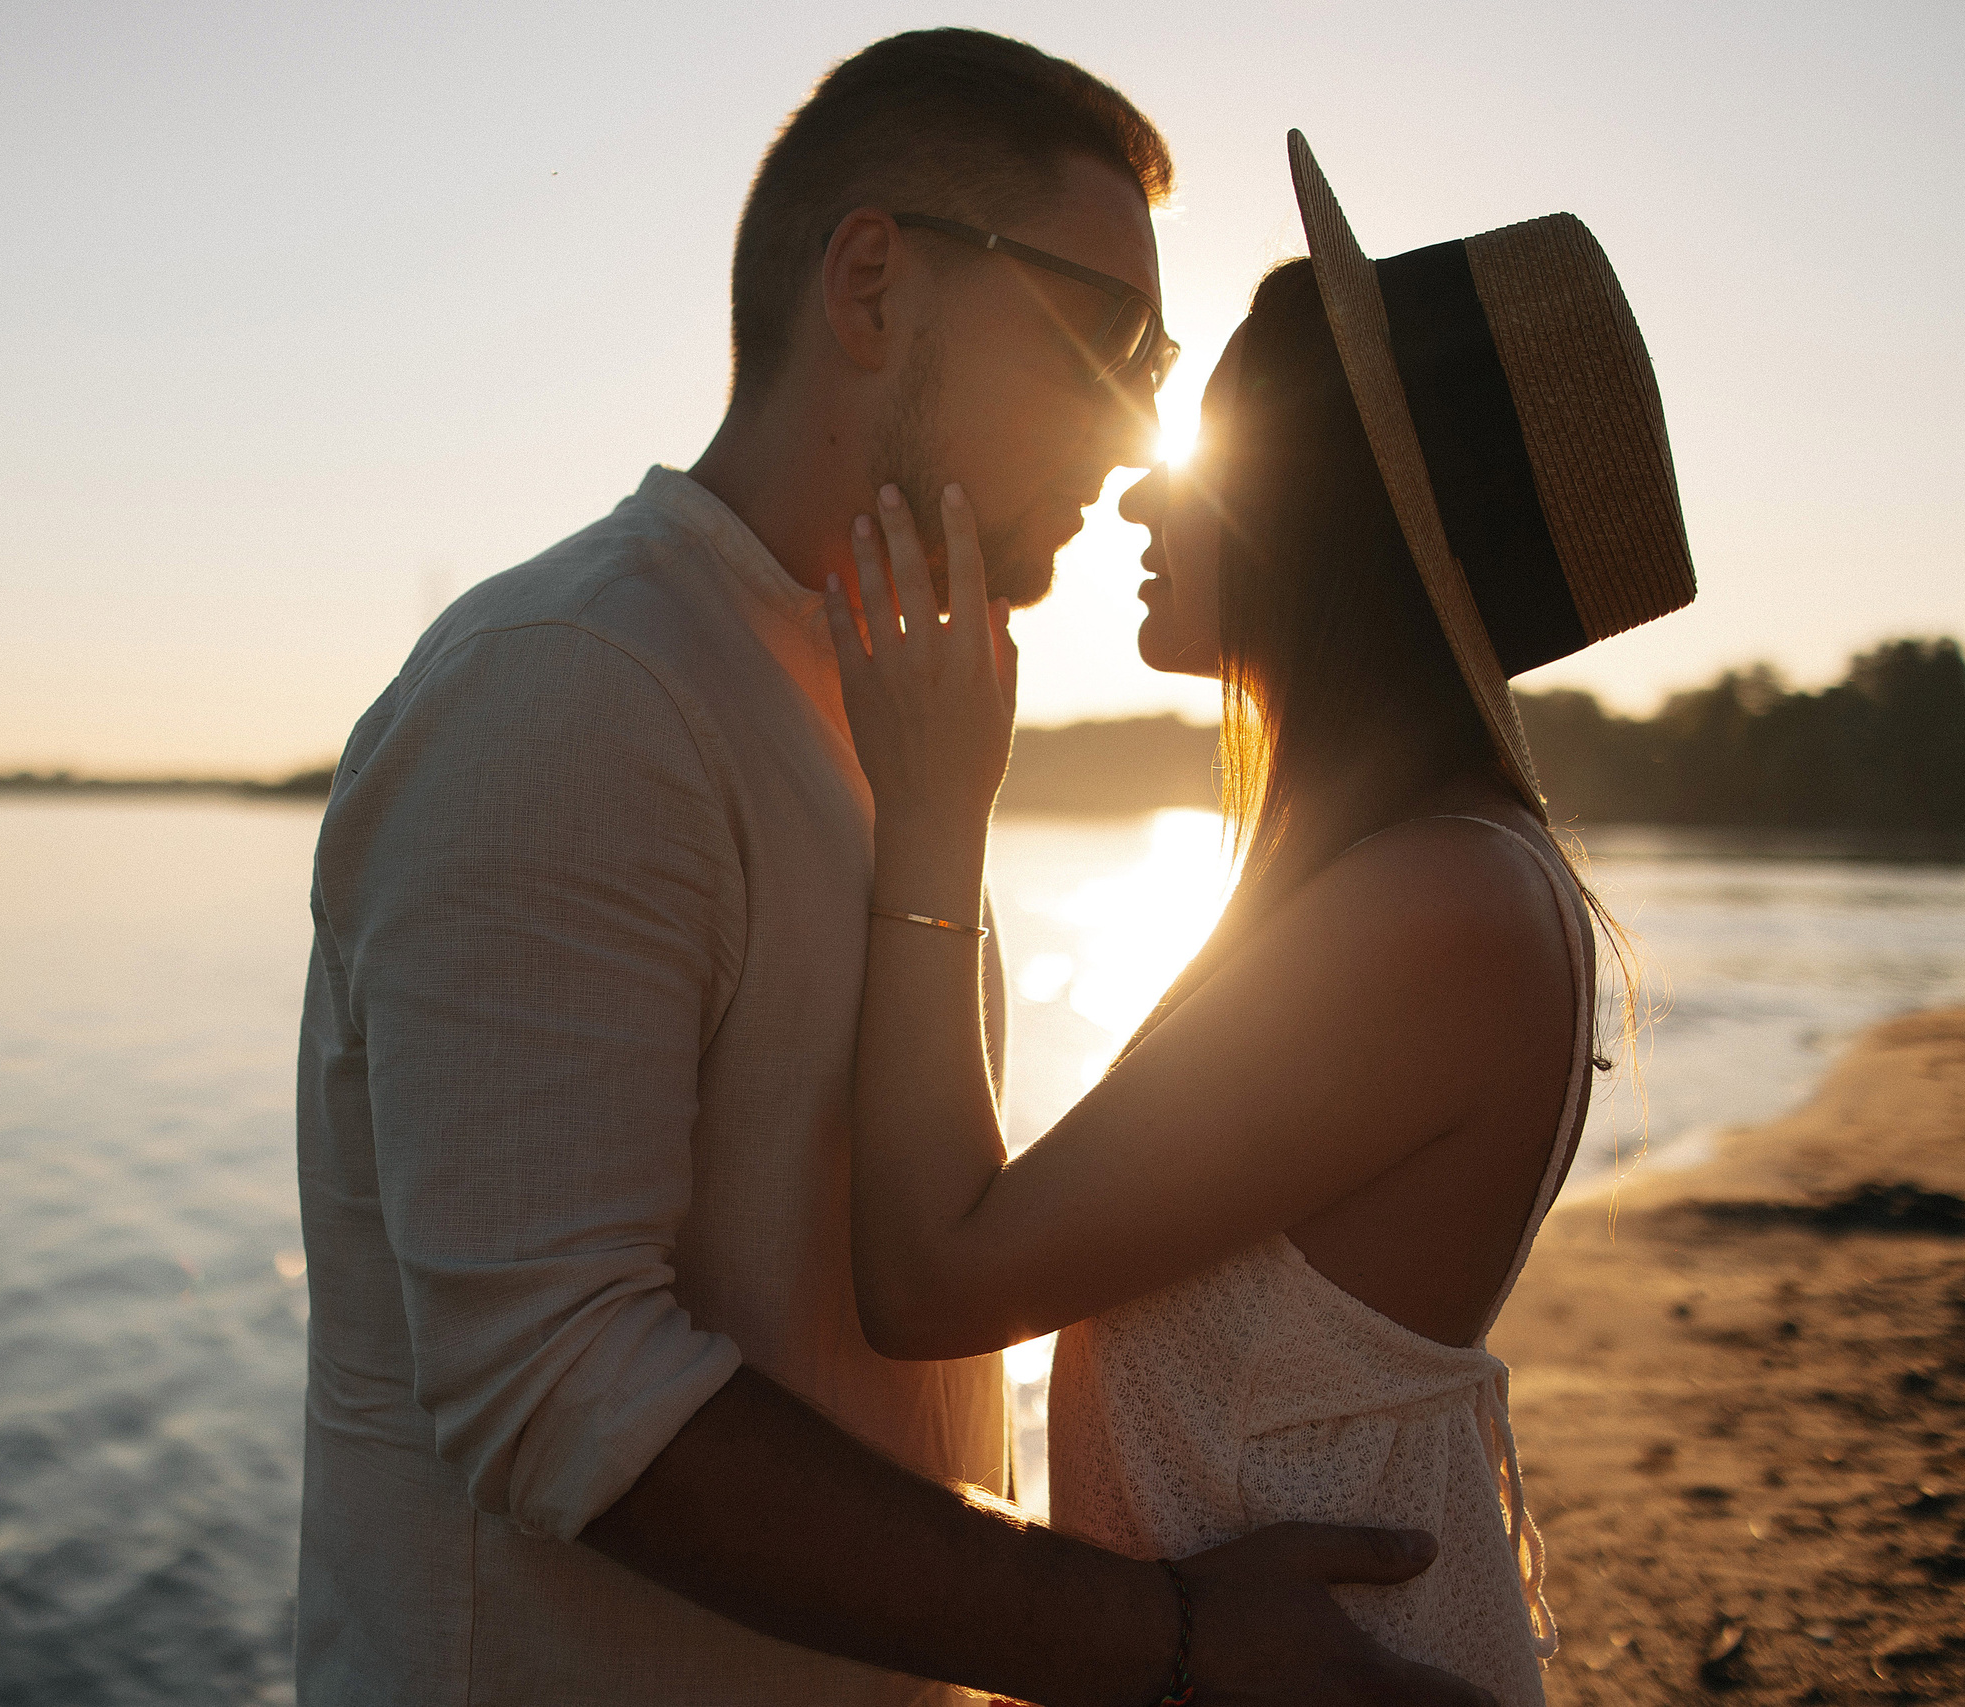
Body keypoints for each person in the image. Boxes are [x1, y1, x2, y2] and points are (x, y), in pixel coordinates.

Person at [294, 31, 1501, 1707]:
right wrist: (1160, 1640)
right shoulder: (570, 689)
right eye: (1113, 339)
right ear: (871, 286)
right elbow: (553, 1386)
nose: (1146, 428)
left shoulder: (887, 704)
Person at [822, 133, 1696, 1705]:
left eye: (1219, 440)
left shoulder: (1439, 908)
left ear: (1322, 509)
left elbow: (932, 1279)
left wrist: (936, 815)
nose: (1151, 484)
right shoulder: (1415, 880)